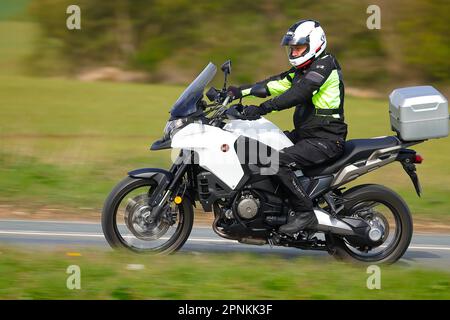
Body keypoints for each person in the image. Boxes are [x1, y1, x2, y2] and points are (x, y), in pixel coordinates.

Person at [227, 19, 347, 236]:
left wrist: (262, 109)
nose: (294, 52)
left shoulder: (324, 66)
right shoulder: (303, 70)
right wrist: (237, 92)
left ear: (315, 44)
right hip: (306, 136)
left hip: (326, 140)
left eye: (299, 47)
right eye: (292, 48)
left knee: (274, 160)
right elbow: (273, 84)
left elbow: (299, 93)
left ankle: (304, 212)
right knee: (257, 146)